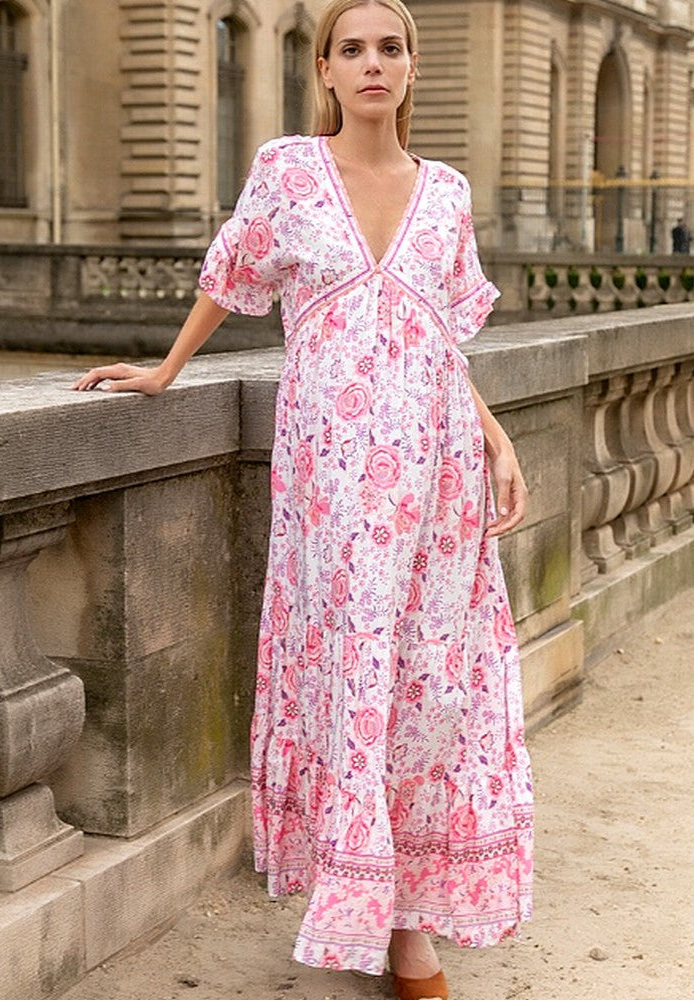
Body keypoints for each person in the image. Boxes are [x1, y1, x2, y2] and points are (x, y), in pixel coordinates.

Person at [73, 2, 533, 997]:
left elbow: (437, 339)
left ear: (411, 68)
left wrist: (495, 439)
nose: (373, 64)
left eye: (390, 48)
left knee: (432, 683)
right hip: (332, 479)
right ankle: (368, 903)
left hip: (436, 473)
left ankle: (411, 919)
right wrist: (165, 369)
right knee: (352, 672)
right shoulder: (287, 171)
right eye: (352, 48)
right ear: (323, 68)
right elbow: (231, 275)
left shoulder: (447, 193)